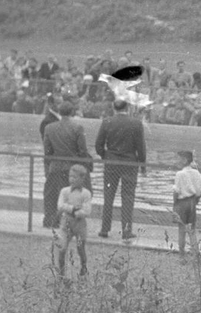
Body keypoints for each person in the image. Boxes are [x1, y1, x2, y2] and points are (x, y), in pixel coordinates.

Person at [94, 99, 146, 240]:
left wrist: (106, 155)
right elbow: (141, 147)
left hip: (111, 162)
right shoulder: (136, 123)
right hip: (129, 163)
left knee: (108, 196)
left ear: (113, 107)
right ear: (128, 107)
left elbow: (98, 144)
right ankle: (126, 230)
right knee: (128, 197)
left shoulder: (107, 122)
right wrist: (142, 164)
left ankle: (105, 229)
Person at [42, 102, 93, 229]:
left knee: (52, 195)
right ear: (72, 112)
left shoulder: (49, 128)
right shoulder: (77, 127)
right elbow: (82, 150)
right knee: (73, 196)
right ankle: (70, 221)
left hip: (56, 166)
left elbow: (47, 151)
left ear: (59, 112)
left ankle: (50, 220)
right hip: (73, 167)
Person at [54, 164, 92, 278]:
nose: (72, 179)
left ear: (82, 179)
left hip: (80, 224)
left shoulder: (86, 193)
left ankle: (83, 267)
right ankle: (61, 273)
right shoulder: (64, 191)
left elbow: (87, 210)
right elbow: (60, 205)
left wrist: (77, 213)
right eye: (70, 177)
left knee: (80, 248)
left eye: (75, 177)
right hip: (66, 223)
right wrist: (72, 208)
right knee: (62, 247)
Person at [172, 150, 201, 256]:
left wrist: (174, 204)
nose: (177, 161)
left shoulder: (179, 174)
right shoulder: (195, 172)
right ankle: (195, 253)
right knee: (192, 229)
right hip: (192, 202)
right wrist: (198, 196)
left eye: (179, 159)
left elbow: (176, 191)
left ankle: (181, 254)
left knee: (181, 229)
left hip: (181, 202)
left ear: (184, 160)